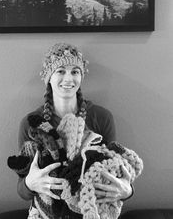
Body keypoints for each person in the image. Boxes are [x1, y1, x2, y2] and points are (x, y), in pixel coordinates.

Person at [16, 43, 133, 219]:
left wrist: (127, 191)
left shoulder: (101, 117)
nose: (69, 79)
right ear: (49, 77)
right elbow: (22, 190)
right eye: (61, 71)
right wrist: (29, 183)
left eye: (75, 71)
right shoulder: (31, 123)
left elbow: (116, 169)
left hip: (91, 211)